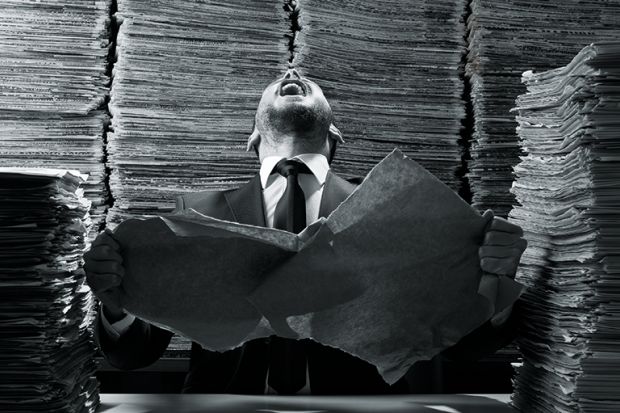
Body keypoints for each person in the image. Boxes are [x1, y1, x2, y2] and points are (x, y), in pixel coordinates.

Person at [85, 68, 527, 395]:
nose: (292, 71)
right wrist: (115, 302)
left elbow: (462, 348)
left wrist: (493, 280)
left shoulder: (399, 214)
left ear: (334, 135)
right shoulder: (195, 215)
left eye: (307, 80)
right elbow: (133, 355)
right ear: (253, 139)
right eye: (280, 77)